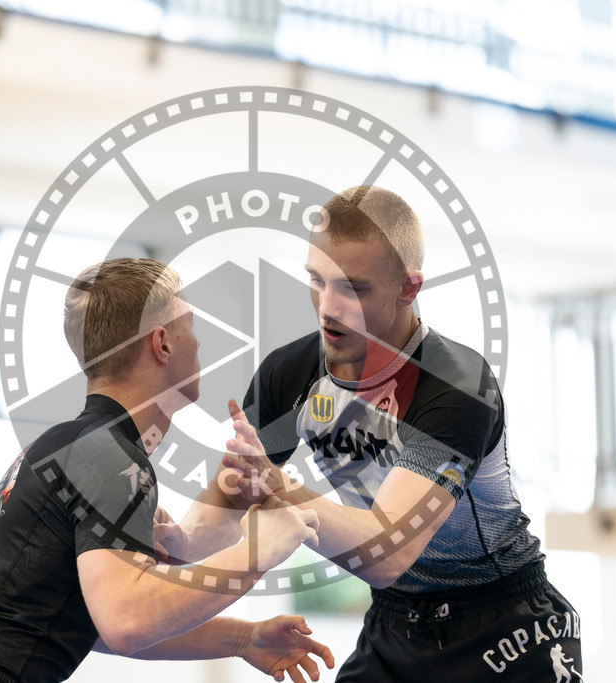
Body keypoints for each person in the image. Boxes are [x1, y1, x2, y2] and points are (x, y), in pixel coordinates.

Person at [156, 187, 583, 682]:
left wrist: (277, 487)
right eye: (316, 280)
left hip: (503, 618)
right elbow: (238, 491)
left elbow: (390, 551)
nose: (327, 308)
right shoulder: (288, 374)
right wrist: (184, 541)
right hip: (396, 618)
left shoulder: (458, 386)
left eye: (353, 289)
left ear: (408, 287)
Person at [0, 258, 334, 683]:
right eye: (191, 325)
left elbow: (96, 621)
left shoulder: (72, 445)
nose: (199, 343)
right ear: (162, 343)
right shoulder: (109, 457)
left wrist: (242, 638)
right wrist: (258, 551)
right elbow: (127, 621)